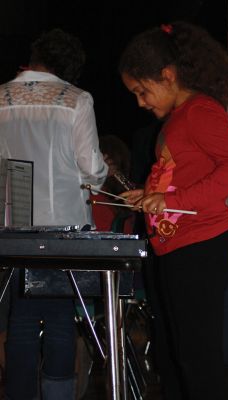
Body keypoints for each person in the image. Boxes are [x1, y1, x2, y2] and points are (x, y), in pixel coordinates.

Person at [118, 21, 228, 400]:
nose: (141, 102)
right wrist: (149, 192)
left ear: (168, 75)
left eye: (143, 91)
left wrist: (172, 201)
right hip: (177, 247)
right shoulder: (177, 119)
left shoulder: (200, 112)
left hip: (201, 244)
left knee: (197, 357)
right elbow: (183, 174)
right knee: (178, 353)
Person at [0, 28, 108, 400]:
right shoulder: (76, 100)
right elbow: (90, 166)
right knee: (62, 317)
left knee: (21, 318)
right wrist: (100, 175)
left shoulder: (0, 97)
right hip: (65, 222)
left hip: (14, 222)